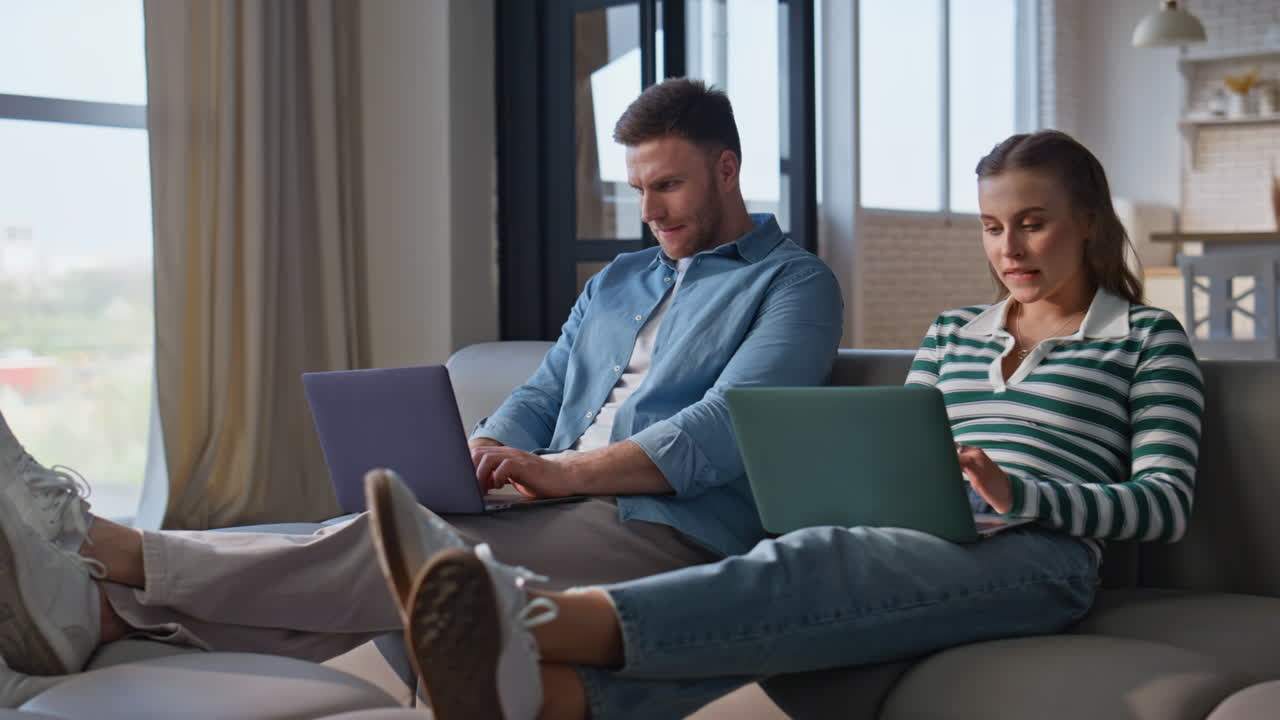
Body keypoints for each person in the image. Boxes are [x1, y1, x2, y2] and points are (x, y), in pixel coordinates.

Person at [0, 77, 843, 704]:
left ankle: (111, 550)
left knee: (392, 547)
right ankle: (105, 620)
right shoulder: (619, 280)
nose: (650, 210)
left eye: (669, 185)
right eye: (638, 190)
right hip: (552, 504)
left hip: (670, 532)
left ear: (727, 169)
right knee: (354, 538)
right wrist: (485, 450)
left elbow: (722, 431)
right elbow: (543, 393)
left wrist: (559, 474)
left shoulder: (794, 285)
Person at [368, 129, 1206, 720]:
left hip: (1042, 557)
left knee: (810, 564)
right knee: (816, 588)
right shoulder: (955, 331)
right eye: (993, 227)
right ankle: (549, 699)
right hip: (926, 536)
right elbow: (896, 443)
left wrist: (1022, 494)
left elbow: (1165, 503)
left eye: (1033, 223)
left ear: (1088, 220)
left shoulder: (1145, 337)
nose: (1009, 248)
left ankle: (527, 617)